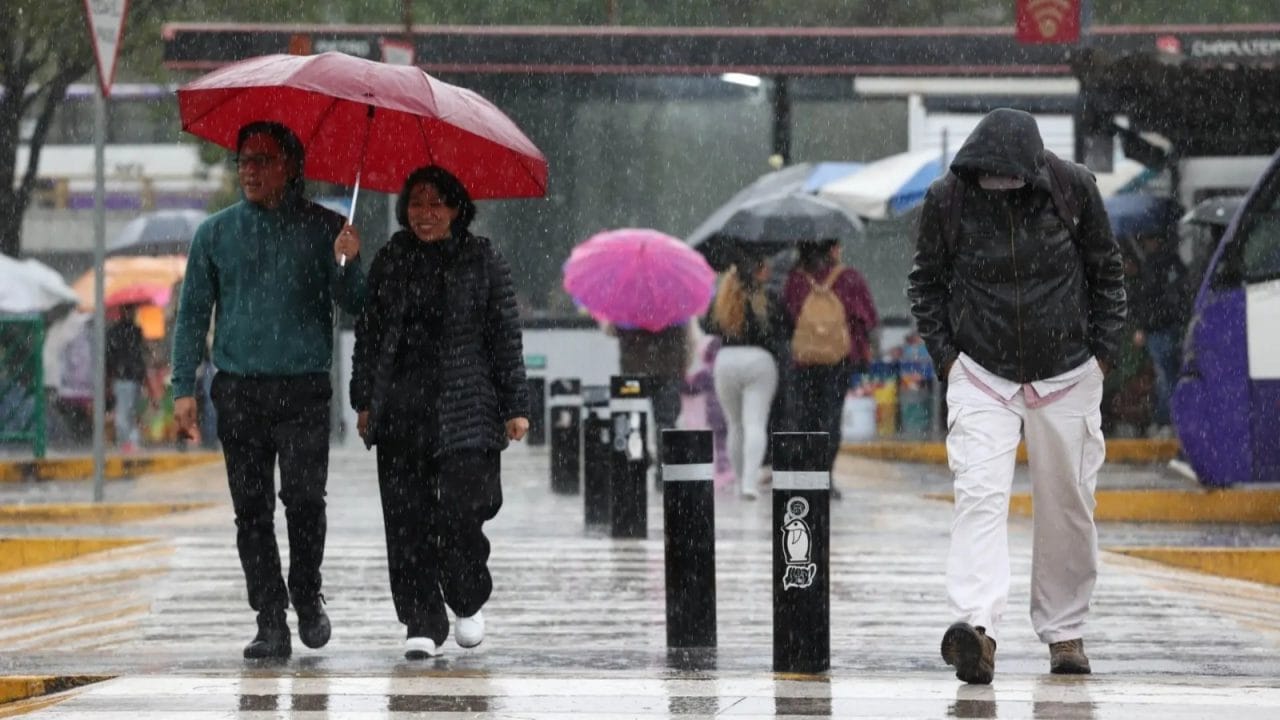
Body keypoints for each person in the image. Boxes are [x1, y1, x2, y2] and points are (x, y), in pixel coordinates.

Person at [908, 108, 1126, 684]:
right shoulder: (947, 197)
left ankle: (1065, 631)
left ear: (1034, 170)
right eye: (987, 179)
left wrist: (1103, 357)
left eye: (1009, 181)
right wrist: (948, 362)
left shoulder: (1073, 187)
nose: (997, 189)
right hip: (981, 372)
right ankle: (976, 629)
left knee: (1068, 505)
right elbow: (925, 283)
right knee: (979, 495)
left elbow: (1107, 272)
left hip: (1070, 371)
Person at [171, 121, 366, 660]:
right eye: (244, 161)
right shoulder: (214, 235)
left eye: (263, 160)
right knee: (251, 512)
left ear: (290, 167)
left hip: (303, 390)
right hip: (238, 392)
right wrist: (182, 386)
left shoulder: (326, 228)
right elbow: (191, 316)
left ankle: (306, 591)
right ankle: (269, 618)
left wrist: (350, 261)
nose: (250, 171)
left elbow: (356, 303)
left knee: (305, 501)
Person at [350, 165, 529, 661]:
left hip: (467, 408)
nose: (424, 214)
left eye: (436, 203)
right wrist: (363, 398)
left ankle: (467, 597)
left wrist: (516, 405)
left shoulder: (483, 259)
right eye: (416, 203)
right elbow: (368, 334)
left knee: (461, 514)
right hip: (403, 409)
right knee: (405, 519)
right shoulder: (391, 259)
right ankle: (421, 619)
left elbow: (504, 337)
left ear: (456, 209)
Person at [783, 239, 879, 499]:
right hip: (839, 360)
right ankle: (825, 476)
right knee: (830, 416)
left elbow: (787, 316)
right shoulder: (849, 278)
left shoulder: (796, 280)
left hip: (804, 360)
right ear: (831, 249)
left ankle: (805, 476)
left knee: (805, 417)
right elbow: (868, 317)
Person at [703, 255, 791, 499]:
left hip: (726, 361)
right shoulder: (768, 299)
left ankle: (739, 478)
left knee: (735, 425)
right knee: (755, 423)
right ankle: (749, 484)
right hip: (760, 362)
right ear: (758, 271)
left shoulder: (722, 299)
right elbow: (785, 328)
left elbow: (708, 326)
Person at [1134, 231, 1190, 437]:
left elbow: (1146, 298)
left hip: (1159, 327)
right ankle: (1169, 419)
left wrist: (1143, 326)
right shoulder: (1173, 264)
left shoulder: (1153, 265)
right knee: (1167, 374)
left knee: (1166, 376)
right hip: (1167, 326)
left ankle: (1166, 419)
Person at [105, 307, 146, 453]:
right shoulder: (130, 332)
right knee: (126, 413)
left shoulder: (125, 332)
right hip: (127, 377)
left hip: (127, 377)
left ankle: (128, 443)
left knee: (127, 413)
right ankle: (128, 443)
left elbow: (110, 357)